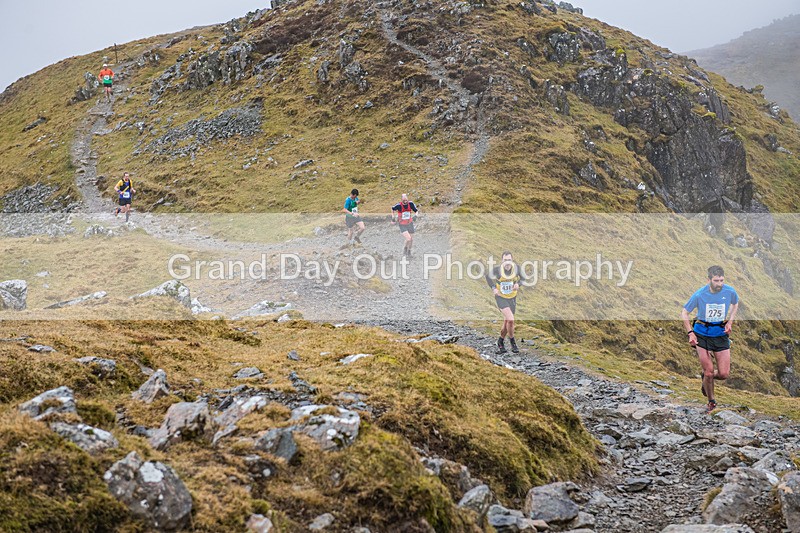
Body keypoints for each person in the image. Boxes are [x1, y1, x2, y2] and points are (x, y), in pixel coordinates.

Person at [681, 265, 740, 414]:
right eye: (716, 281)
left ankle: (706, 378)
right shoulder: (700, 294)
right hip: (702, 334)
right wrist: (691, 333)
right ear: (709, 280)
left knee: (723, 374)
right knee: (708, 372)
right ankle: (711, 402)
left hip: (720, 334)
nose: (719, 284)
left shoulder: (730, 291)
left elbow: (735, 303)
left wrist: (730, 322)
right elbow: (684, 313)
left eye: (721, 280)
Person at [485, 251, 524, 354]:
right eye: (505, 260)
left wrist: (518, 284)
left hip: (512, 298)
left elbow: (524, 278)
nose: (507, 263)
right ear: (502, 260)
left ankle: (500, 341)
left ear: (512, 260)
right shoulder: (498, 270)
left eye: (509, 260)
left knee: (507, 322)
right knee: (511, 320)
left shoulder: (517, 269)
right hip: (501, 298)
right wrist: (494, 288)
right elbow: (488, 277)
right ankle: (513, 343)